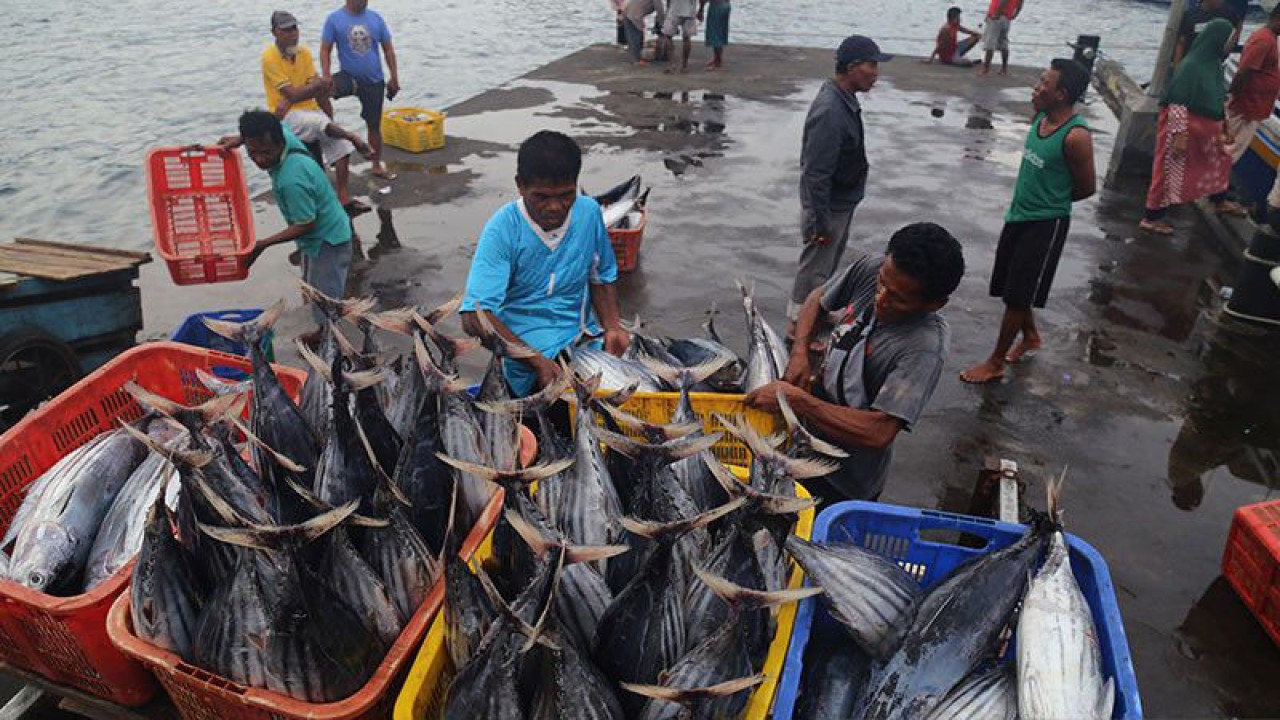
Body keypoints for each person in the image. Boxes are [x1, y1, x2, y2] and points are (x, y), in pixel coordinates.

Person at [746, 223, 965, 504]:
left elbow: (879, 432)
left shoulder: (922, 349)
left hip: (844, 478)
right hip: (798, 441)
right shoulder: (874, 268)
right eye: (882, 283)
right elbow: (816, 299)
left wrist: (801, 402)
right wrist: (800, 352)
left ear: (935, 304)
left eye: (898, 298)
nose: (880, 300)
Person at [460, 131, 630, 397]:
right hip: (524, 356)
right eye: (541, 197)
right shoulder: (502, 229)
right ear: (520, 185)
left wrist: (612, 327)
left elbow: (601, 275)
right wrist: (537, 362)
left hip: (582, 341)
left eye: (565, 195)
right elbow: (474, 316)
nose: (554, 207)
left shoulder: (589, 213)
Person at [961, 59, 1095, 384]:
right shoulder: (1039, 119)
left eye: (1043, 85)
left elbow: (1086, 187)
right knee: (1013, 285)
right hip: (1017, 216)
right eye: (1039, 81)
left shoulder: (1075, 137)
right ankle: (1031, 336)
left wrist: (1050, 203)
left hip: (1045, 225)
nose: (1036, 89)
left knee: (1017, 296)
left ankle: (995, 362)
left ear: (1062, 94)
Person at [788, 35, 892, 330]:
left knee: (827, 265)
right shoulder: (831, 110)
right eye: (871, 65)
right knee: (815, 268)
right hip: (828, 206)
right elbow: (815, 173)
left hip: (840, 201)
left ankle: (815, 314)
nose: (876, 73)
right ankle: (798, 323)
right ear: (851, 67)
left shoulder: (844, 101)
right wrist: (820, 221)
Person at [234, 111, 353, 336]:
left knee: (324, 296)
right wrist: (238, 139)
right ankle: (323, 330)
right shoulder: (286, 137)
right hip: (316, 239)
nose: (260, 159)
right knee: (311, 286)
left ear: (279, 143)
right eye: (252, 152)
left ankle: (330, 338)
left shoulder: (292, 179)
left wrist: (263, 244)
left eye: (266, 152)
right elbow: (270, 125)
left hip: (328, 240)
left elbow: (305, 224)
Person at [1140, 19, 1243, 235]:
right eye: (1229, 39)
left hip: (1206, 134)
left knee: (1221, 160)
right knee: (1167, 171)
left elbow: (1217, 98)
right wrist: (1178, 134)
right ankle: (1152, 217)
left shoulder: (1213, 64)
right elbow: (1178, 100)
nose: (1231, 44)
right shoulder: (1192, 66)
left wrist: (1224, 128)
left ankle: (1218, 198)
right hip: (1185, 131)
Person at [262, 11, 371, 212]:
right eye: (286, 30)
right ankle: (354, 136)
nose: (292, 34)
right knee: (318, 124)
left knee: (341, 146)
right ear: (275, 32)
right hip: (287, 116)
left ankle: (343, 197)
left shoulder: (303, 53)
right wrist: (313, 87)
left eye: (294, 28)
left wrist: (310, 89)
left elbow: (310, 89)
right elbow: (292, 93)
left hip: (308, 109)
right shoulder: (269, 57)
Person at [320, 0, 399, 179]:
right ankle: (329, 133)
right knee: (321, 92)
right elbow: (325, 49)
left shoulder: (375, 18)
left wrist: (394, 77)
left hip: (373, 79)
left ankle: (377, 165)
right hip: (348, 77)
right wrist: (326, 75)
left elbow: (388, 50)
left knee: (374, 124)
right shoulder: (334, 19)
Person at [1225, 7, 1280, 162]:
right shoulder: (1263, 40)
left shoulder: (1271, 38)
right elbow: (1243, 72)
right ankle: (1210, 183)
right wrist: (1232, 101)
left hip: (1253, 110)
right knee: (1229, 151)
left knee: (1232, 151)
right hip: (1245, 110)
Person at [1173, 0, 1243, 72]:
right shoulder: (1190, 15)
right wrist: (1177, 68)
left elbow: (1238, 25)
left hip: (1213, 65)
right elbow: (1181, 43)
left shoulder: (1227, 13)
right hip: (1192, 64)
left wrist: (1229, 47)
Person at [980, 0, 1024, 76]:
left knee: (990, 43)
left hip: (998, 16)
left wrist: (997, 13)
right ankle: (1004, 69)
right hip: (1007, 17)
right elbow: (1020, 4)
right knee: (1004, 43)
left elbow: (1004, 1)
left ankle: (985, 70)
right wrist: (1015, 14)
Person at [622, 0, 665, 65]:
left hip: (627, 13)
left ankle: (636, 58)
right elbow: (660, 11)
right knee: (636, 38)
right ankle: (636, 60)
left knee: (633, 38)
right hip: (634, 15)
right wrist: (662, 24)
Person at [663, 0, 698, 74]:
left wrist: (667, 8)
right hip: (690, 12)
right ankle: (684, 66)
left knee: (668, 36)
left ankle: (671, 64)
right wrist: (701, 9)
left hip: (674, 9)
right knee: (687, 38)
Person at [698, 0, 730, 71]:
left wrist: (701, 9)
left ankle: (718, 63)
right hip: (726, 5)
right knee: (720, 32)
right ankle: (717, 59)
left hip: (717, 6)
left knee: (715, 34)